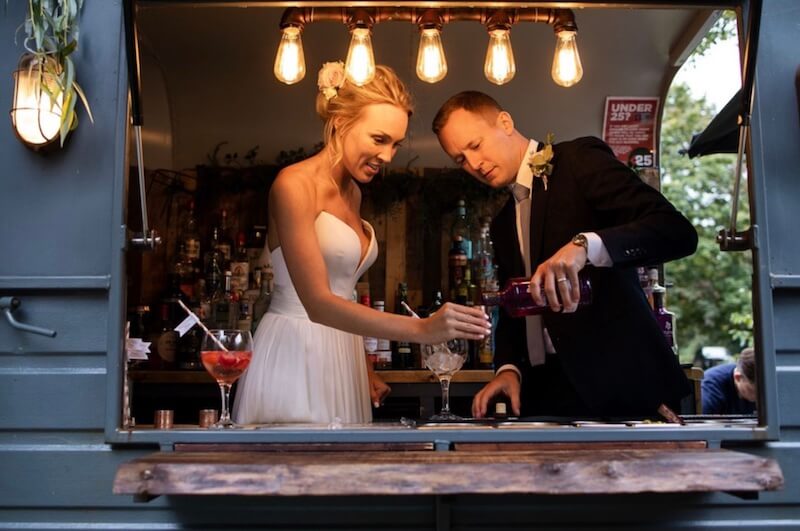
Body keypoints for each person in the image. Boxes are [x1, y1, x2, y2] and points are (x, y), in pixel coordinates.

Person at [233, 65, 490, 425]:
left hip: (343, 356)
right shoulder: (293, 185)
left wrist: (364, 368)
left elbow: (344, 292)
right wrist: (421, 329)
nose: (388, 156)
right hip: (295, 353)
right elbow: (319, 303)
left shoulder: (352, 192)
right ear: (340, 122)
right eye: (379, 138)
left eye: (396, 144)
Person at [432, 91, 698, 419]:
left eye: (475, 145)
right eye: (460, 159)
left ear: (505, 122)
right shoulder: (502, 223)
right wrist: (509, 369)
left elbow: (676, 232)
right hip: (543, 397)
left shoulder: (577, 161)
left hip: (627, 388)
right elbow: (516, 309)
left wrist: (585, 246)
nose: (473, 164)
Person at [701, 347, 757, 414]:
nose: (759, 397)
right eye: (755, 391)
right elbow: (703, 422)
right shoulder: (710, 389)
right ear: (738, 378)